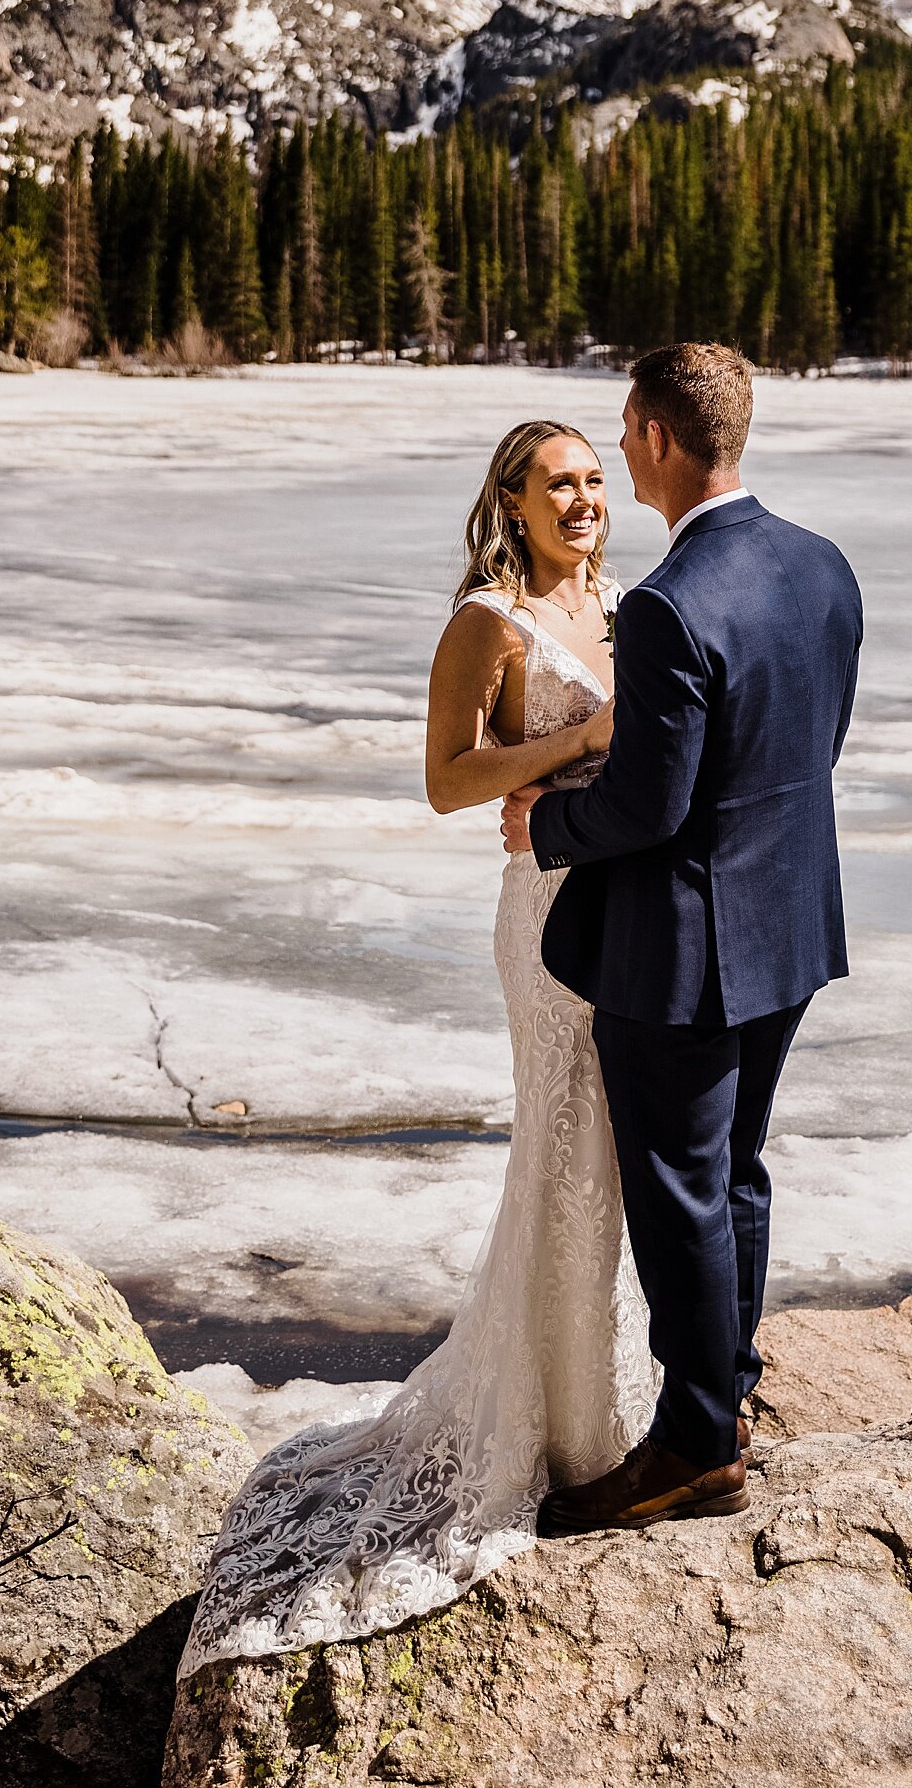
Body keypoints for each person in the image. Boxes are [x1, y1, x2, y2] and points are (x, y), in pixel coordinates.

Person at [180, 419, 654, 1670]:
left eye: (597, 479)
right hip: (547, 914)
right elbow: (449, 780)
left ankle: (598, 1394)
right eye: (560, 483)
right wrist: (574, 747)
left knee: (615, 1153)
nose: (586, 499)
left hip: (631, 905)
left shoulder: (623, 602)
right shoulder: (487, 620)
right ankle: (550, 1426)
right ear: (509, 497)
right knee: (560, 1142)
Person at [503, 342, 863, 1534]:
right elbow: (812, 745)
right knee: (737, 1168)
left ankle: (697, 1441)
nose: (619, 459)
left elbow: (649, 807)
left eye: (625, 432)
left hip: (682, 949)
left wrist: (547, 818)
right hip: (791, 921)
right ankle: (729, 1395)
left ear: (658, 437)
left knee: (679, 1189)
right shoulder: (821, 566)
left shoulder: (667, 603)